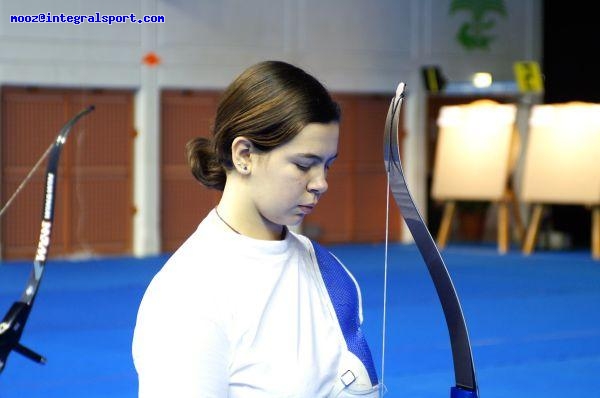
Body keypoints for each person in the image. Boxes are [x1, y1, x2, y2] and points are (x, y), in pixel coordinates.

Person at [132, 60, 379, 397]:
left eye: (327, 165)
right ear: (244, 154)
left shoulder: (332, 275)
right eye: (304, 165)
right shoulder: (187, 295)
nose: (321, 183)